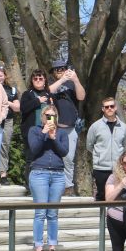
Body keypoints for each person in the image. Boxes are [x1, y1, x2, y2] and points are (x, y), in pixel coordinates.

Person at [27, 106, 69, 251]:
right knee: (40, 213)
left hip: (57, 175)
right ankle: (38, 247)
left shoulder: (62, 132)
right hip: (39, 173)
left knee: (53, 213)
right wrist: (44, 134)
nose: (50, 118)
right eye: (47, 115)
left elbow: (64, 152)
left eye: (53, 115)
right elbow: (34, 149)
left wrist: (53, 138)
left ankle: (52, 246)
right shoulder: (35, 130)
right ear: (42, 116)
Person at [47, 63, 85, 195]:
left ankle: (68, 188)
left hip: (70, 128)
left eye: (62, 69)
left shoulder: (72, 84)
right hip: (54, 127)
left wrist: (75, 79)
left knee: (68, 159)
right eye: (57, 69)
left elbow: (81, 97)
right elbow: (48, 92)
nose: (60, 71)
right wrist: (62, 79)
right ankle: (54, 187)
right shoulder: (51, 83)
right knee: (53, 158)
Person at [87, 96, 126, 201]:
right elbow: (89, 146)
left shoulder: (124, 127)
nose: (109, 108)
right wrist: (101, 156)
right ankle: (101, 217)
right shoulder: (95, 126)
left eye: (112, 106)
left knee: (118, 196)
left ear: (115, 108)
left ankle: (115, 217)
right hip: (101, 169)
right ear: (103, 109)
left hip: (118, 168)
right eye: (107, 107)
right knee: (102, 196)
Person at [18, 69, 52, 180]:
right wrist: (38, 101)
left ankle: (43, 183)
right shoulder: (27, 94)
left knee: (45, 158)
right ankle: (29, 187)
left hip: (46, 131)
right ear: (32, 81)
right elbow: (23, 108)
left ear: (45, 80)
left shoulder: (49, 95)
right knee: (31, 159)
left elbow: (53, 112)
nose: (38, 80)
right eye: (35, 79)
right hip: (31, 132)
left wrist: (52, 128)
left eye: (40, 78)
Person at [0, 66, 20, 182]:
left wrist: (5, 100)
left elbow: (17, 108)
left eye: (1, 75)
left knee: (5, 146)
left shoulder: (12, 90)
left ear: (4, 76)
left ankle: (3, 174)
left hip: (8, 121)